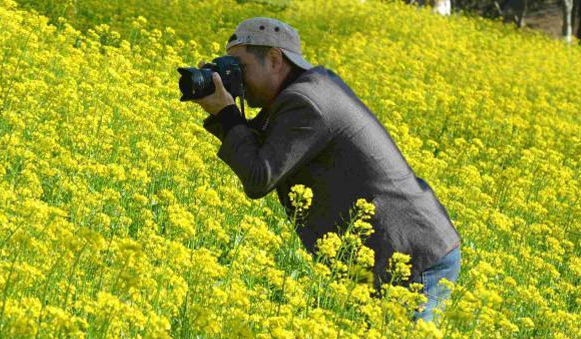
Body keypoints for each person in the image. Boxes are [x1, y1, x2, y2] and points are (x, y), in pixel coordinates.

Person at [188, 17, 462, 323]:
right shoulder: (307, 89)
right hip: (383, 253)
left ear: (275, 59)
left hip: (410, 256)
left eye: (240, 67)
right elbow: (260, 148)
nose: (235, 77)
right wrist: (222, 111)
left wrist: (226, 114)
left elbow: (259, 176)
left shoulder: (305, 101)